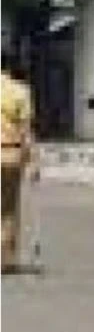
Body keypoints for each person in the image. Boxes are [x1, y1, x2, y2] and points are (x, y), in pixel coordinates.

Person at [1, 50, 34, 274]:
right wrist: (33, 160)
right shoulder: (21, 91)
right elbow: (25, 130)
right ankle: (6, 258)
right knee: (9, 208)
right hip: (10, 153)